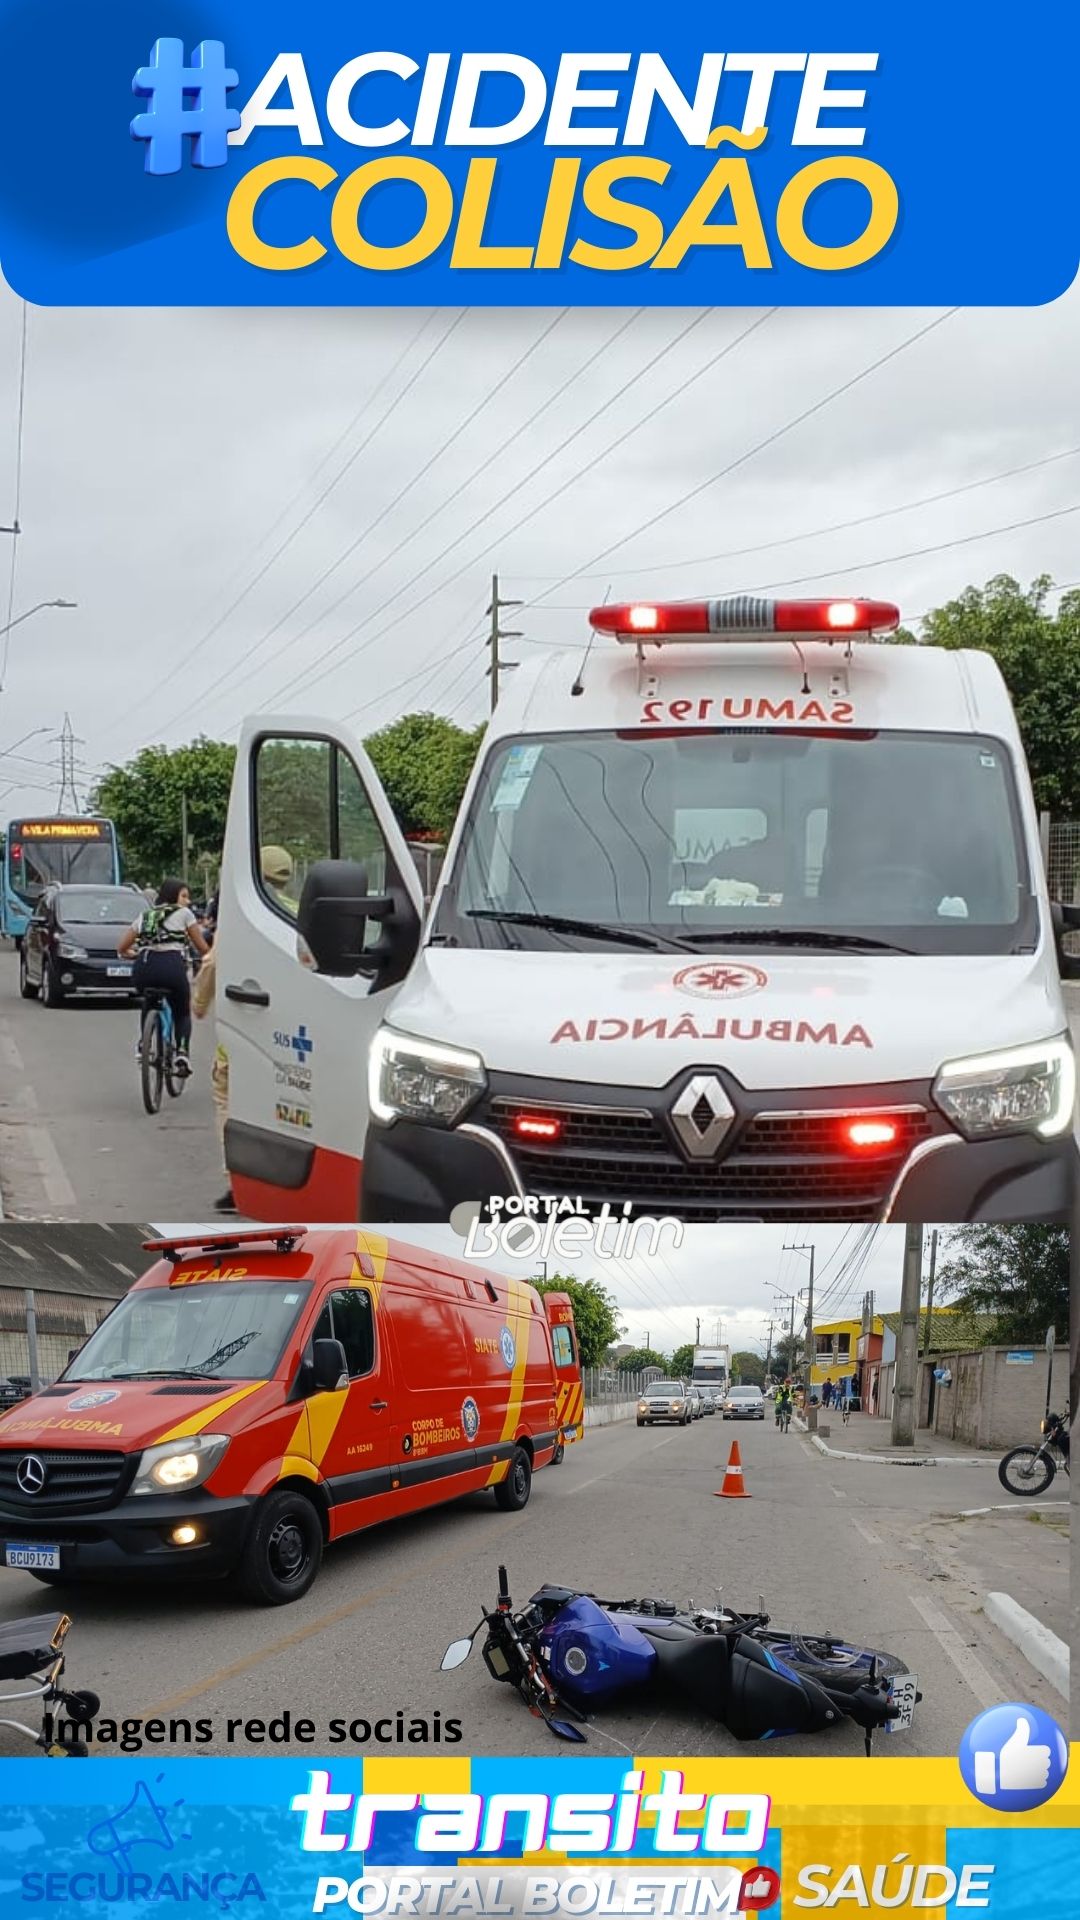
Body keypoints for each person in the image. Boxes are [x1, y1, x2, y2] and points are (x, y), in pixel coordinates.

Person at [117, 878, 209, 1076]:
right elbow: (202, 947)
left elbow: (122, 948)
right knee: (182, 1012)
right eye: (184, 896)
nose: (187, 901)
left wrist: (132, 954)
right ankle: (182, 1052)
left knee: (149, 1001)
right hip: (171, 968)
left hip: (144, 969)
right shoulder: (184, 914)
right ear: (173, 895)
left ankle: (144, 1044)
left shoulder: (145, 915)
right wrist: (210, 958)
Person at [192, 939, 235, 1212]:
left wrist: (199, 1003)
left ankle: (237, 1183)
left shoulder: (236, 925)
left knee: (226, 1101)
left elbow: (210, 964)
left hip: (237, 1039)